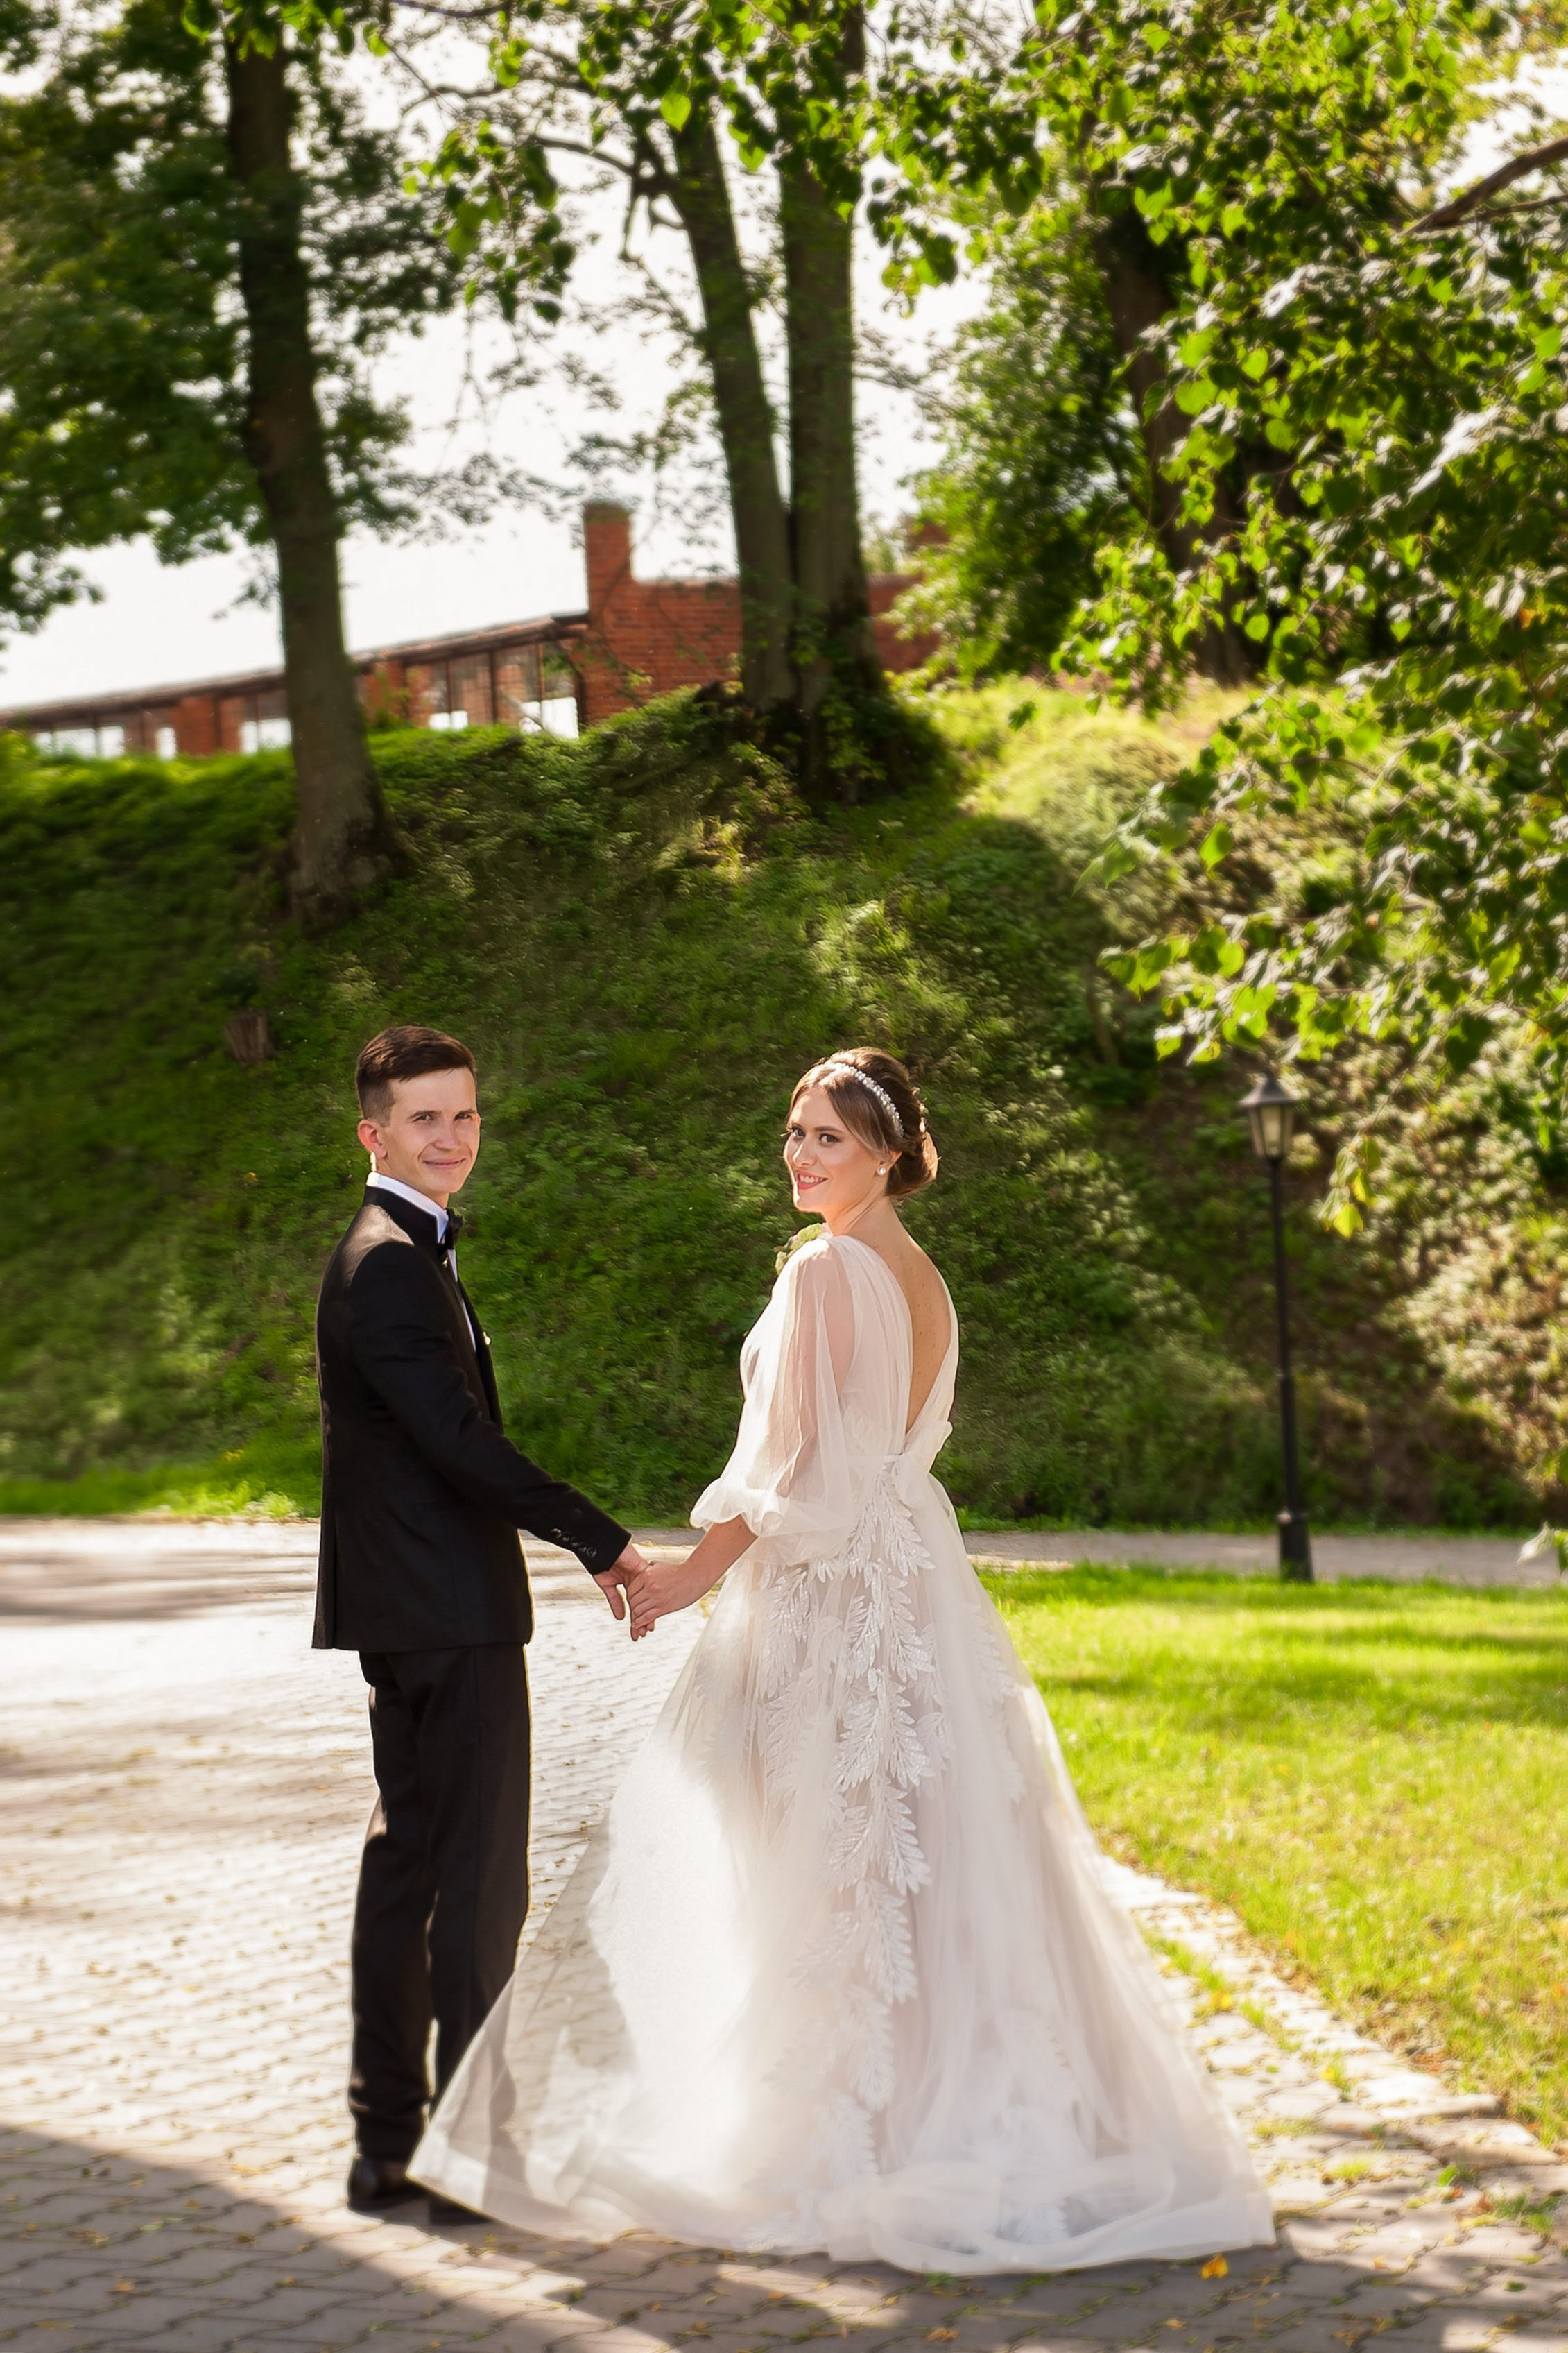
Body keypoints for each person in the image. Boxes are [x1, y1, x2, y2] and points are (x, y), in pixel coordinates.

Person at [411, 1048, 1273, 2273]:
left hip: (825, 1594)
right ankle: (949, 2105)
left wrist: (684, 1577)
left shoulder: (826, 1270)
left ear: (882, 1153)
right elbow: (872, 1457)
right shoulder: (921, 1275)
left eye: (825, 1137)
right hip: (913, 1576)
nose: (799, 1154)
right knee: (929, 1847)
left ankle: (833, 2128)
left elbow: (785, 1472)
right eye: (794, 1132)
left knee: (818, 1852)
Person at [313, 1023, 647, 2221]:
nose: (450, 1137)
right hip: (442, 1614)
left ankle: (388, 2145)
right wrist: (598, 1536)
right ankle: (463, 2153)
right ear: (374, 1133)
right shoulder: (392, 1261)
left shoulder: (400, 1249)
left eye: (464, 1114)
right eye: (423, 1119)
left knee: (407, 1868)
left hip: (409, 1608)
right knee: (473, 1880)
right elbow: (458, 1446)